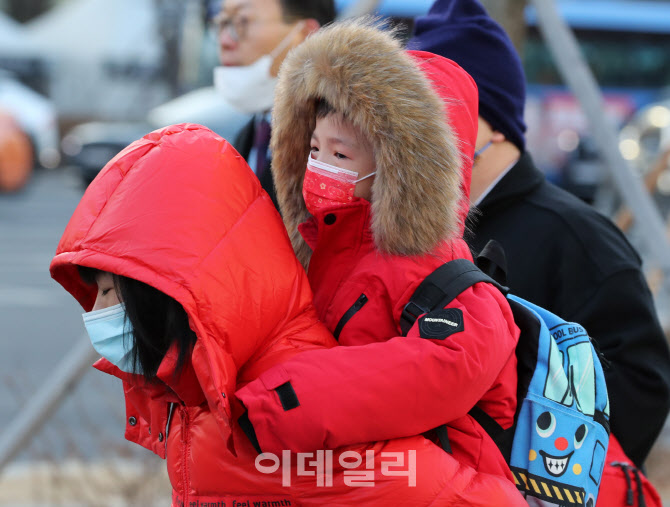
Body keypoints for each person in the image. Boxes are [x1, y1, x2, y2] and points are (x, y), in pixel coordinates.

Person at [50, 123, 525, 505]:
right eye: (314, 150)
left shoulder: (282, 411)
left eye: (111, 291)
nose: (99, 312)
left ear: (166, 293)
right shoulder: (204, 396)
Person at [235, 19, 525, 499]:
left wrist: (282, 401)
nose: (320, 166)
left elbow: (451, 361)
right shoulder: (319, 248)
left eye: (341, 155)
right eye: (312, 150)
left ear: (396, 165)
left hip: (440, 486)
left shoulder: (437, 268)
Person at [409, 0, 670, 470]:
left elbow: (641, 390)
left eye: (433, 116)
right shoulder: (413, 226)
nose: (417, 139)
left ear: (493, 124)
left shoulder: (579, 239)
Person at [213, 0, 336, 206]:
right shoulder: (248, 136)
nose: (225, 41)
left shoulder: (342, 145)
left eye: (242, 21)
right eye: (222, 22)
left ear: (306, 36)